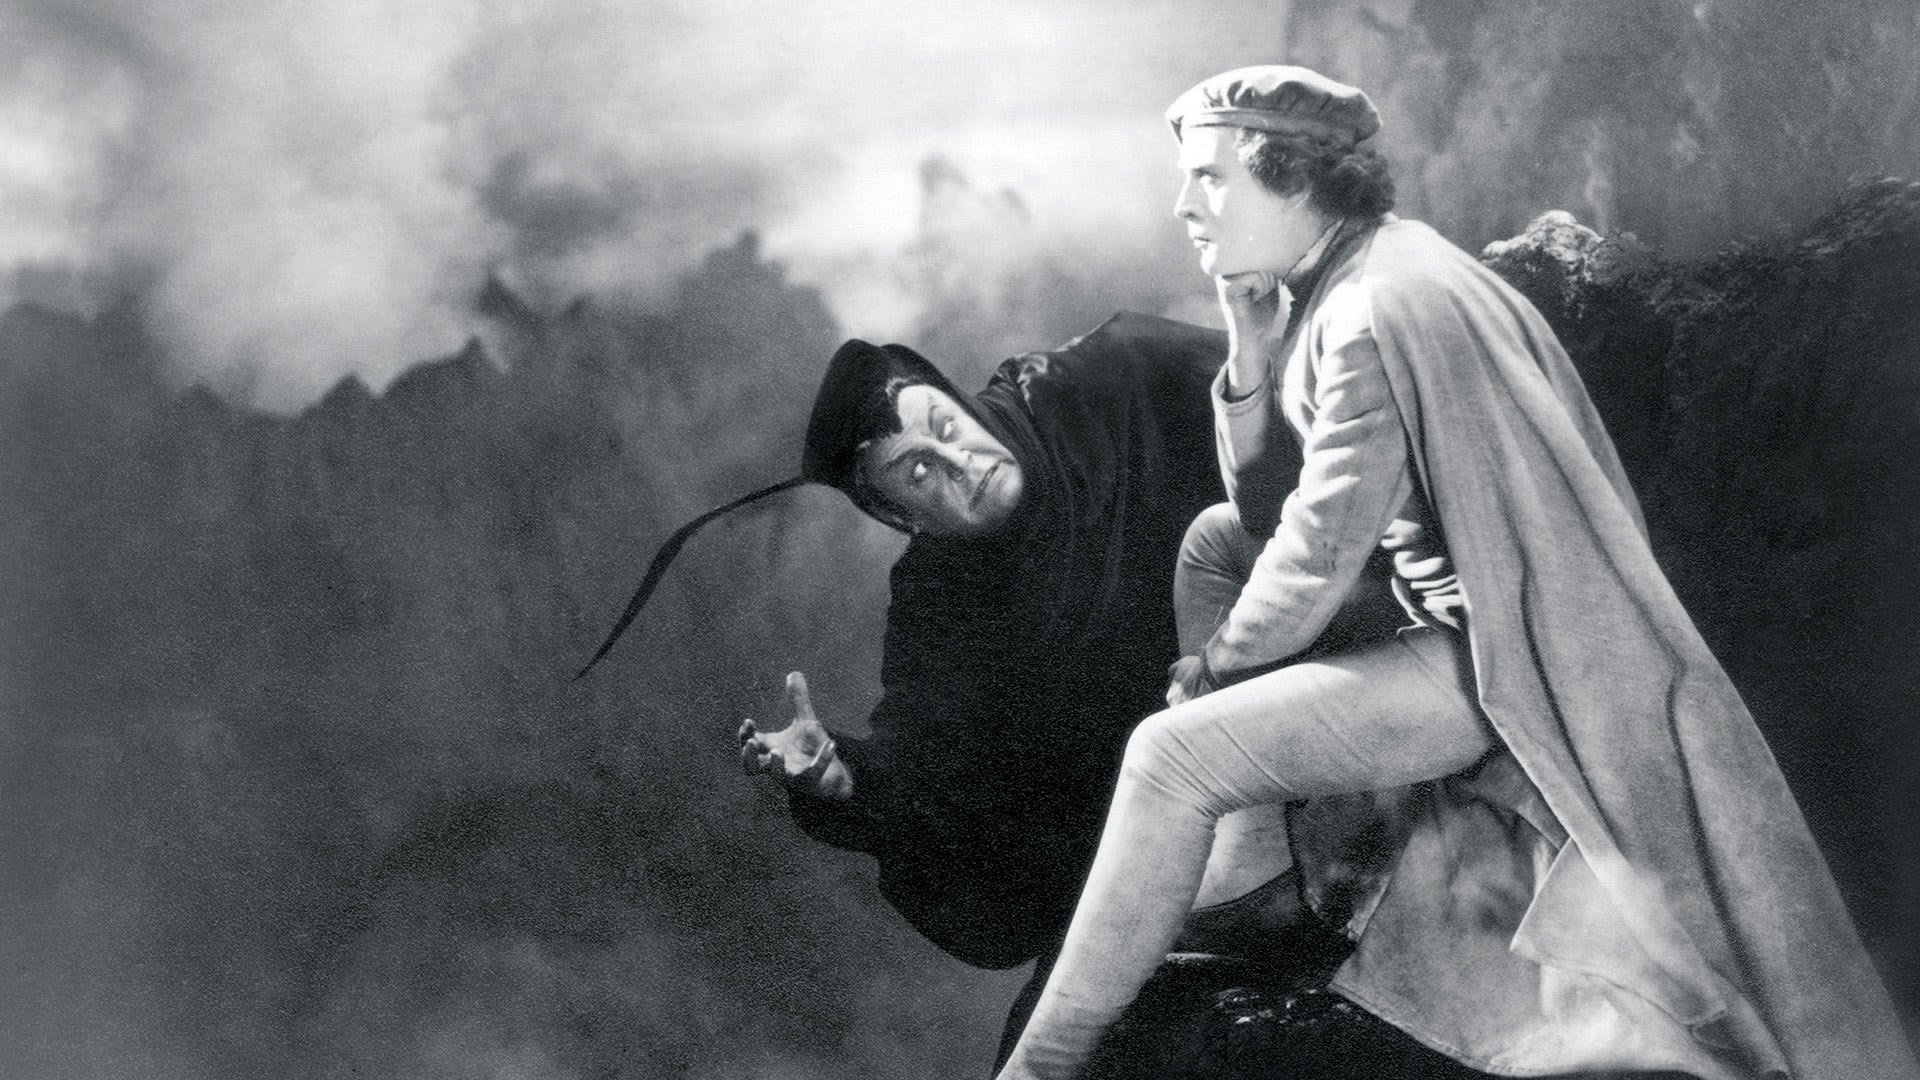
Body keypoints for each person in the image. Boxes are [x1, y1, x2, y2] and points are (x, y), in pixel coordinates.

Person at [994, 66, 1917, 1079]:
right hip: (1478, 615)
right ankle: (1255, 869)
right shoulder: (1369, 269)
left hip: (1510, 664)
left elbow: (1314, 551)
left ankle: (1041, 1066)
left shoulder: (1373, 312)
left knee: (1169, 758)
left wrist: (1215, 668)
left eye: (1211, 178)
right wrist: (1250, 348)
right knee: (1216, 541)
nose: (1186, 205)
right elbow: (1263, 516)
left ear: (1290, 176)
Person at [576, 313, 1403, 1065]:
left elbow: (1317, 420)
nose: (959, 464)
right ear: (901, 517)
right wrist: (843, 778)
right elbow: (929, 768)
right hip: (1164, 856)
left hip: (1343, 699)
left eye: (946, 427)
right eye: (919, 472)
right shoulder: (939, 601)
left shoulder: (1117, 376)